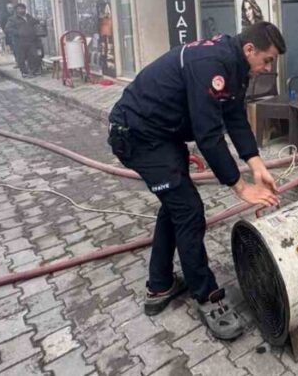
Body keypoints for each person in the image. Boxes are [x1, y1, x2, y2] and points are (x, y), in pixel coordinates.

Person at [107, 22, 286, 340]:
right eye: (267, 60)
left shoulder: (235, 65)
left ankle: (160, 285)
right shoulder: (212, 64)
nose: (269, 67)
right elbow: (208, 135)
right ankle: (207, 296)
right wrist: (241, 187)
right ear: (250, 50)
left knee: (177, 204)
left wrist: (256, 164)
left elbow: (234, 116)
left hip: (163, 134)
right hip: (138, 135)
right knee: (188, 210)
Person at [6, 4, 41, 77]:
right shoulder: (12, 19)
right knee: (21, 58)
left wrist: (40, 21)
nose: (21, 10)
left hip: (31, 40)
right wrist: (18, 33)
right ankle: (24, 72)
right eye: (19, 9)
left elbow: (36, 22)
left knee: (34, 56)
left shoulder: (29, 17)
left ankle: (33, 71)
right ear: (16, 10)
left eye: (23, 9)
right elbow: (8, 29)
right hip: (19, 41)